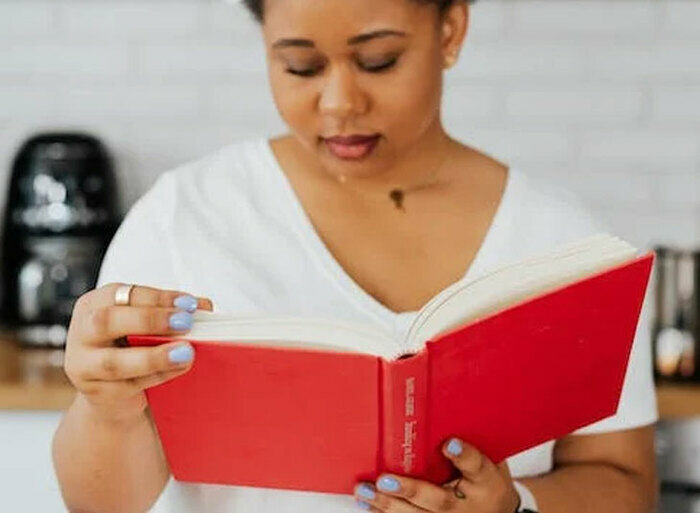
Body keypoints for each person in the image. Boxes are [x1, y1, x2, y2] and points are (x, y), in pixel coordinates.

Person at [52, 0, 659, 512]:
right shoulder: (185, 217)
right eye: (300, 66)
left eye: (378, 61)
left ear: (449, 32)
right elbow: (103, 504)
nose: (339, 102)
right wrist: (105, 409)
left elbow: (626, 482)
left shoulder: (564, 242)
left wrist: (514, 503)